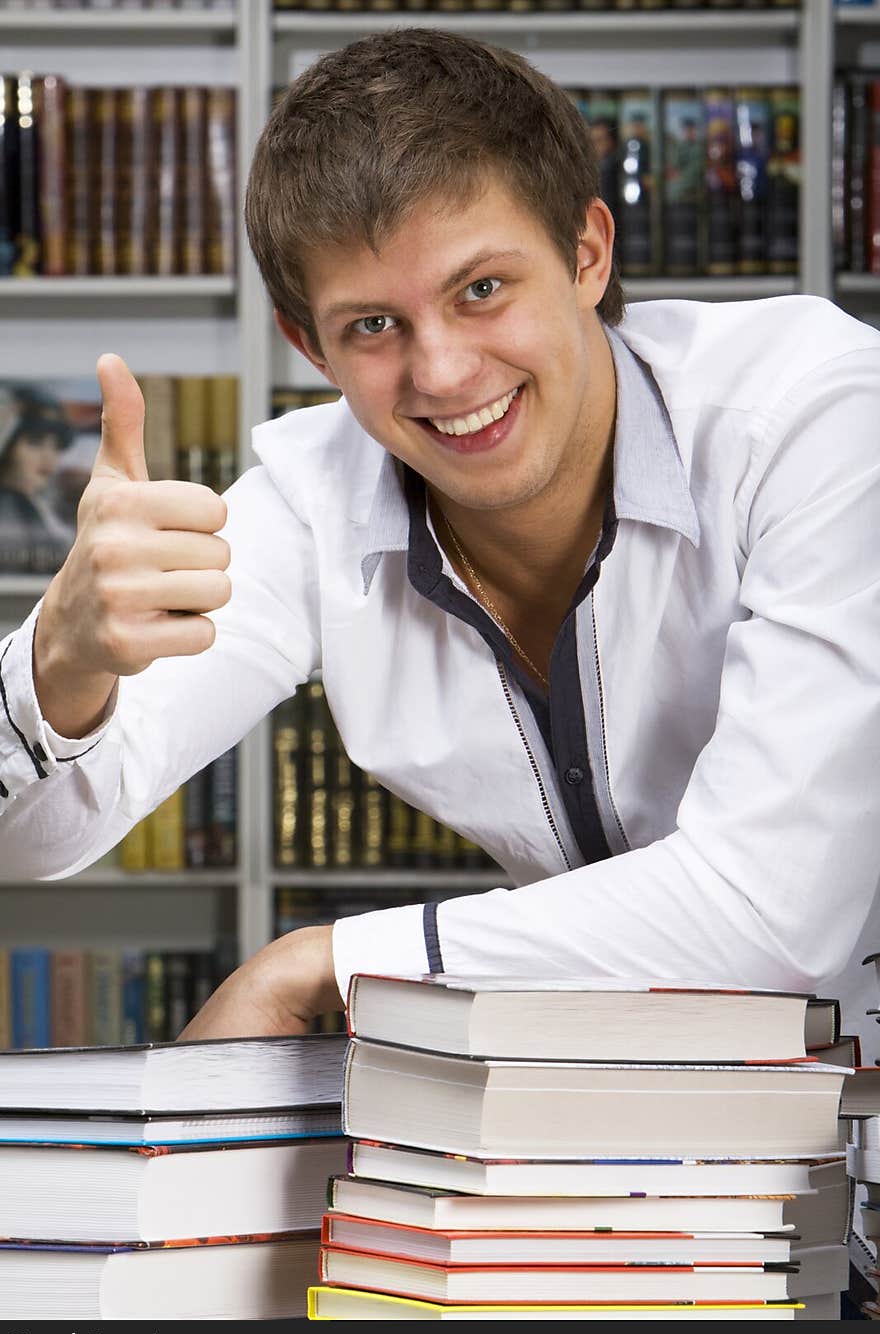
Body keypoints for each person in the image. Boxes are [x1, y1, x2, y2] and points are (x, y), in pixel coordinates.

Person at [0, 30, 878, 1056]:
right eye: (373, 325)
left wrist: (322, 964)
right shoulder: (309, 500)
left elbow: (769, 913)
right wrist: (58, 659)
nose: (445, 373)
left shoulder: (816, 416)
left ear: (585, 254)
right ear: (306, 344)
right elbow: (36, 843)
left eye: (481, 289)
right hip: (665, 1124)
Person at [0, 386, 76, 576]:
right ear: (7, 447)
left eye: (56, 446)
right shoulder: (10, 509)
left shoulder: (50, 508)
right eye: (34, 443)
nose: (48, 458)